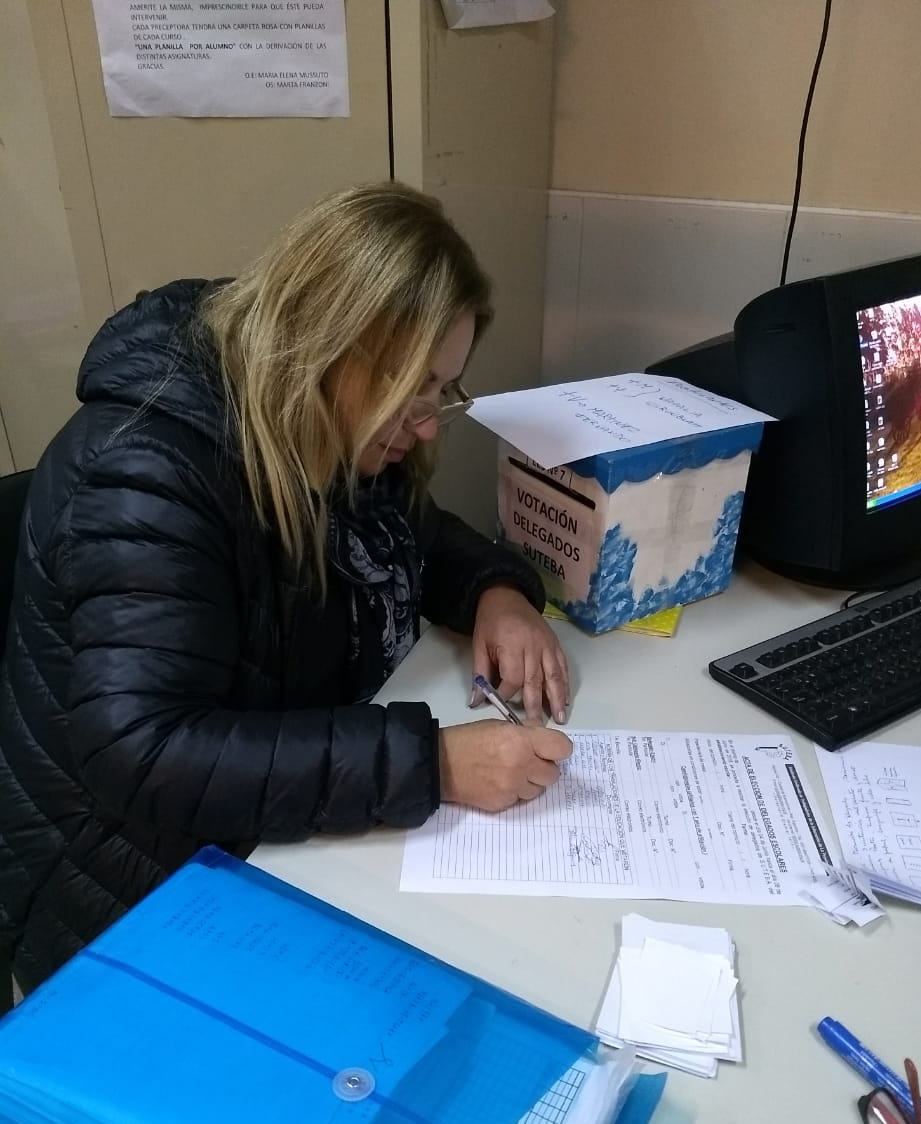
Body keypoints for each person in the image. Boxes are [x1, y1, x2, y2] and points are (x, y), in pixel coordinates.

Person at [0, 182, 573, 995]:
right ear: (328, 347)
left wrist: (498, 593)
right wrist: (432, 763)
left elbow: (413, 531)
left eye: (442, 389)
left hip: (257, 830)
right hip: (124, 891)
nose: (425, 425)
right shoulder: (144, 473)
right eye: (413, 390)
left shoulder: (318, 415)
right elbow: (144, 751)